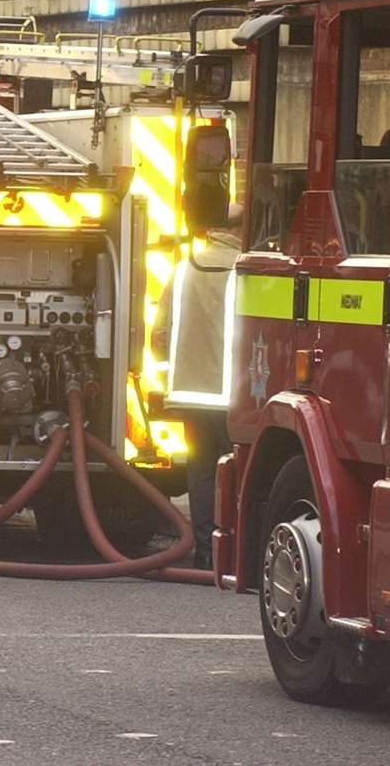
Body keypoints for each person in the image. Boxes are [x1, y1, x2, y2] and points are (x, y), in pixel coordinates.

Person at [152, 210, 241, 571]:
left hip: (189, 392)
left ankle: (206, 551)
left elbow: (159, 336)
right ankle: (233, 551)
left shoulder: (185, 267)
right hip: (234, 396)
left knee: (201, 471)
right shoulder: (249, 269)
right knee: (235, 473)